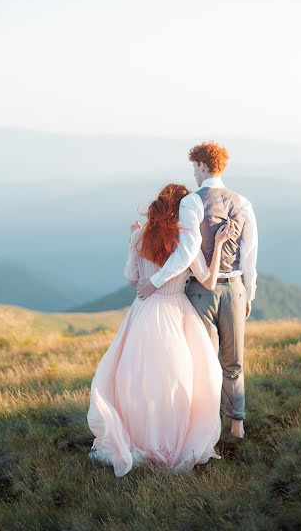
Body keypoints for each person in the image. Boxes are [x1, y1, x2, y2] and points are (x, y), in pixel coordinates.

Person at [87, 183, 235, 477]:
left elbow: (131, 277)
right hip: (173, 312)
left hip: (143, 312)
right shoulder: (185, 242)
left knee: (137, 381)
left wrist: (132, 241)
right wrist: (217, 245)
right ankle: (170, 443)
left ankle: (139, 438)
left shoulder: (141, 235)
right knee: (177, 380)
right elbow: (207, 280)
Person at [137, 141, 258, 439]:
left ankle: (206, 425)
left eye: (194, 166)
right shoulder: (243, 202)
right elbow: (251, 253)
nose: (193, 173)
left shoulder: (191, 203)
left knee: (202, 363)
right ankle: (237, 425)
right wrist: (249, 293)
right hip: (234, 288)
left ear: (203, 166)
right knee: (234, 362)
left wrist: (156, 280)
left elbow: (187, 250)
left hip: (201, 293)